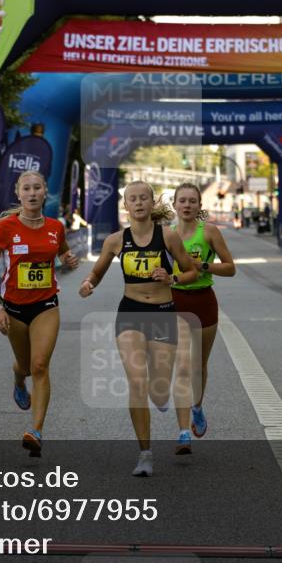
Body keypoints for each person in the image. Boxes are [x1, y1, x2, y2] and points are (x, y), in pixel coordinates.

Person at [79, 181, 198, 477]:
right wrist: (88, 284)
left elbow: (191, 270)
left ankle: (161, 398)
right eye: (133, 199)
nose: (139, 203)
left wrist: (171, 278)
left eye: (144, 198)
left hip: (162, 312)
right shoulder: (116, 241)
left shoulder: (168, 237)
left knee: (158, 389)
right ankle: (145, 453)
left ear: (151, 202)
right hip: (130, 313)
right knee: (137, 382)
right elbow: (98, 270)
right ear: (126, 206)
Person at [0, 171, 80, 457]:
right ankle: (17, 378)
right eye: (27, 188)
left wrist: (68, 259)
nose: (32, 192)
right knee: (25, 367)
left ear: (45, 191)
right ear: (18, 193)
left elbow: (62, 251)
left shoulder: (55, 227)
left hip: (46, 305)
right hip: (13, 307)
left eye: (37, 187)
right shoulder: (6, 228)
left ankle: (36, 430)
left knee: (39, 366)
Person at [170, 183, 236, 450]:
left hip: (204, 301)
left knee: (199, 365)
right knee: (183, 367)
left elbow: (230, 268)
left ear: (199, 206)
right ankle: (183, 431)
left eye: (192, 201)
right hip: (175, 301)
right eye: (182, 201)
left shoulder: (208, 232)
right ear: (174, 205)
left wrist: (205, 266)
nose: (187, 205)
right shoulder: (166, 234)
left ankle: (197, 405)